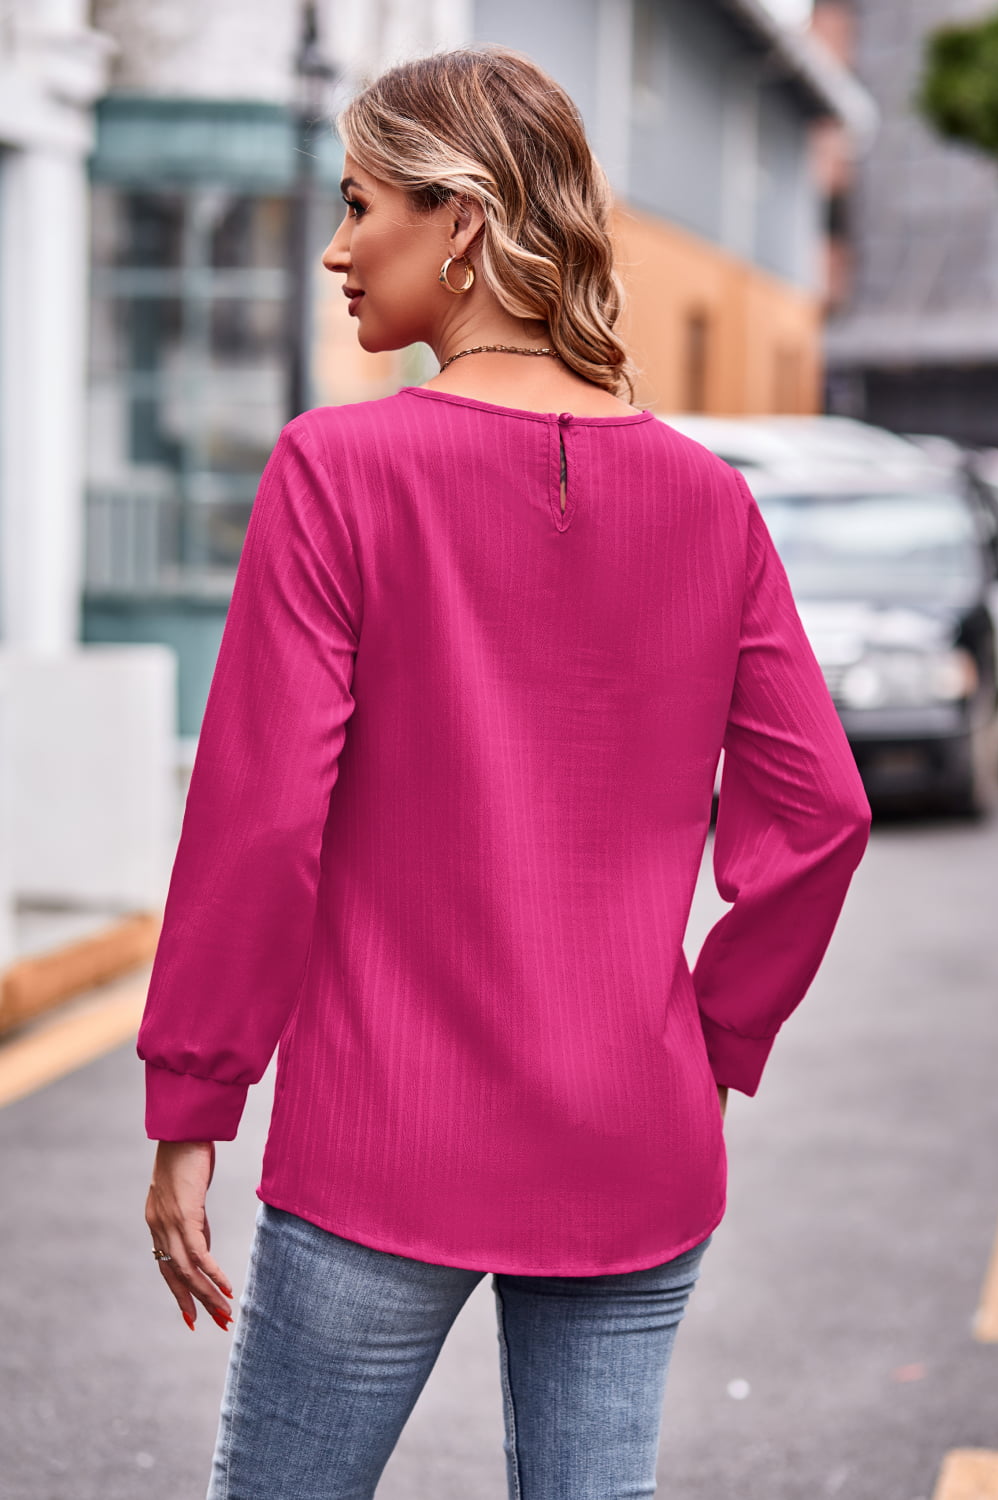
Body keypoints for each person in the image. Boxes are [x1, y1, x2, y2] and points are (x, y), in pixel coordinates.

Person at [138, 42, 872, 1500]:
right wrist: (712, 1044)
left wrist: (193, 1102)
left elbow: (261, 819)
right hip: (636, 1135)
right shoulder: (710, 502)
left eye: (361, 205)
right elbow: (824, 817)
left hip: (383, 1136)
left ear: (461, 221)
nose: (337, 249)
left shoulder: (337, 473)